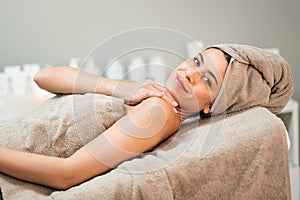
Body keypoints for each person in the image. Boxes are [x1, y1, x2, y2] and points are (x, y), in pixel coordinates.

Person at [0, 44, 292, 191]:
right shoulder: (148, 93)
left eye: (207, 80)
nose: (189, 73)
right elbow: (44, 77)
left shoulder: (160, 112)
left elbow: (67, 175)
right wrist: (121, 87)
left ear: (211, 107)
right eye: (196, 61)